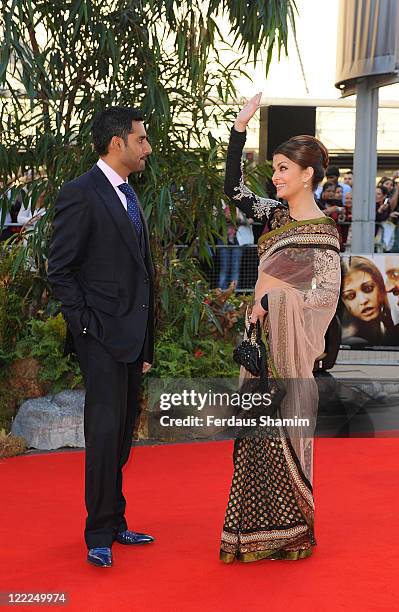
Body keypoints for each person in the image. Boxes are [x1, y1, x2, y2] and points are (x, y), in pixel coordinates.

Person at [220, 93, 341, 562]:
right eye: (274, 168)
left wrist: (276, 298)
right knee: (253, 446)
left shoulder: (324, 232)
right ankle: (250, 537)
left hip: (290, 351)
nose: (275, 176)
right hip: (260, 348)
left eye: (283, 168)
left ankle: (292, 536)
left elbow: (323, 300)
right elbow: (233, 189)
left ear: (307, 173)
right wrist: (238, 128)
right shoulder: (273, 215)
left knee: (287, 438)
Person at [48, 107, 155, 568]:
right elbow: (60, 269)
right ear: (118, 143)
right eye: (141, 139)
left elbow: (142, 276)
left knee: (123, 435)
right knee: (105, 432)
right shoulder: (81, 193)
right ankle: (98, 533)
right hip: (101, 338)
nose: (147, 147)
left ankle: (115, 521)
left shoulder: (130, 193)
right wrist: (86, 327)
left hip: (133, 338)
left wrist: (146, 344)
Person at [340, 256, 395, 346]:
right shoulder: (352, 341)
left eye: (368, 288)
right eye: (350, 296)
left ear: (381, 288)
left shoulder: (390, 332)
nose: (363, 301)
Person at [217, 203, 253, 289]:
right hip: (224, 239)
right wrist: (237, 219)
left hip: (238, 240)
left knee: (235, 268)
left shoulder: (240, 204)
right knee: (224, 268)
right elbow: (219, 219)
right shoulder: (219, 203)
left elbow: (250, 219)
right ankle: (221, 293)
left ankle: (233, 293)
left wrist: (237, 219)